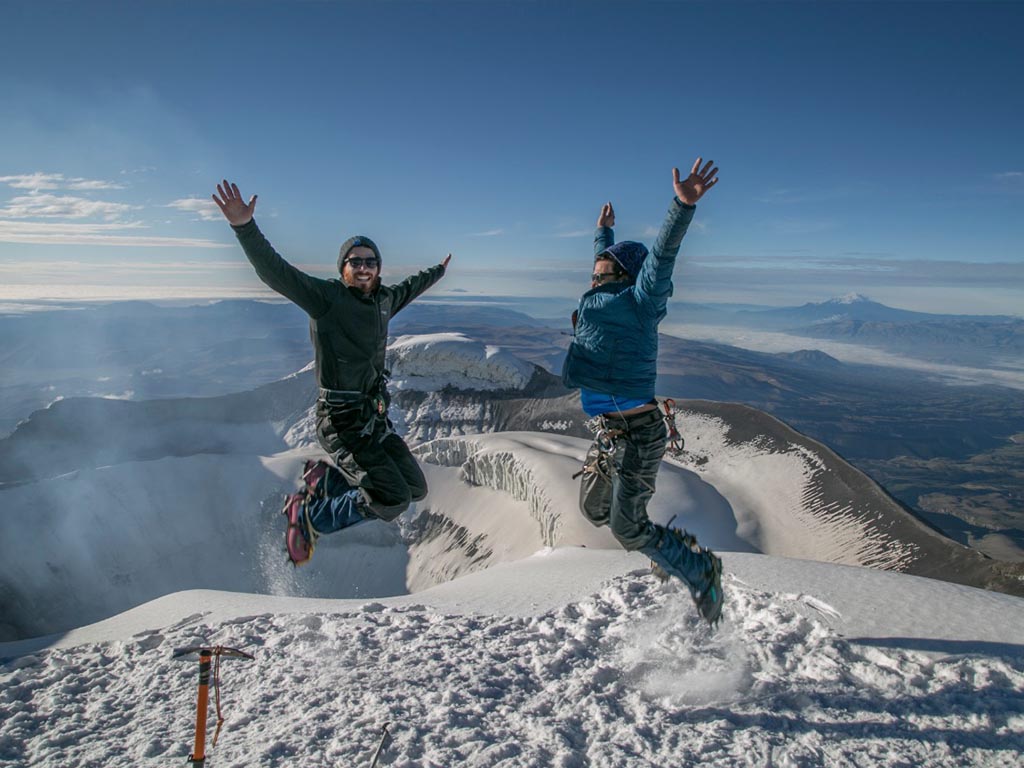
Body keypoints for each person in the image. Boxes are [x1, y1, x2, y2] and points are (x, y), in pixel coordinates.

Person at [213, 180, 451, 565]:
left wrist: (436, 273)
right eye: (354, 261)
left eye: (369, 261)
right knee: (391, 500)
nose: (363, 267)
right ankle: (308, 514)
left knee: (415, 490)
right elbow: (276, 272)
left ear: (378, 269)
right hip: (340, 420)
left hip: (373, 418)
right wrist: (245, 227)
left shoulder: (384, 299)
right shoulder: (327, 299)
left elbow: (410, 287)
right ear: (342, 268)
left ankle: (330, 481)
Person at [562, 159, 724, 624]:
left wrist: (682, 206)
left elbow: (660, 258)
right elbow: (610, 267)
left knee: (625, 528)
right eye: (594, 273)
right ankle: (668, 545)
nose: (594, 279)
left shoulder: (641, 301)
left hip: (638, 432)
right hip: (611, 433)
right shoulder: (600, 295)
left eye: (602, 273)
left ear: (624, 278)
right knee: (593, 510)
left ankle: (700, 570)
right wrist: (603, 235)